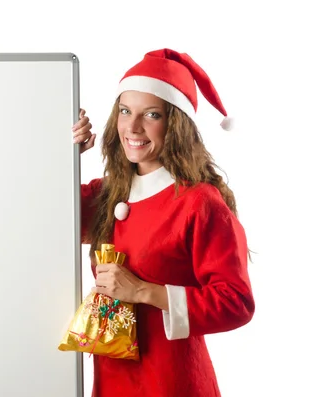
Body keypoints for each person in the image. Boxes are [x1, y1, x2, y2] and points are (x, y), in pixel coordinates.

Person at [71, 48, 255, 397]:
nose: (133, 127)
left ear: (175, 124)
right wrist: (63, 154)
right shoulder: (108, 193)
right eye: (125, 111)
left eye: (151, 115)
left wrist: (143, 291)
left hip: (171, 382)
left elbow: (236, 302)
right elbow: (40, 220)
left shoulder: (198, 202)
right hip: (112, 380)